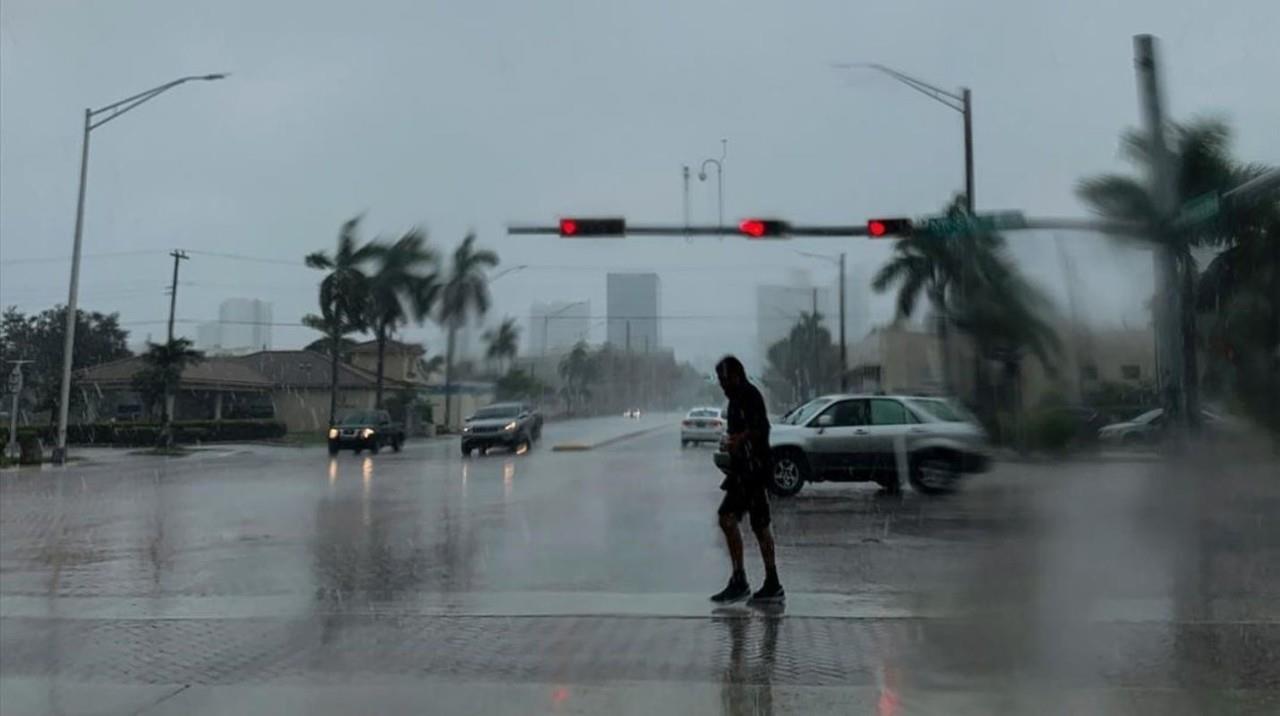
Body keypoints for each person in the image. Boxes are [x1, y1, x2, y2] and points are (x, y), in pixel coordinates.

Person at [710, 355, 784, 603]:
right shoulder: (734, 401)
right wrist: (732, 444)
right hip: (743, 472)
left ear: (736, 376)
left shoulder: (750, 396)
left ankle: (764, 582)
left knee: (749, 522)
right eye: (719, 379)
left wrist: (740, 439)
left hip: (754, 471)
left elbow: (762, 429)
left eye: (724, 378)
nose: (721, 383)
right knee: (736, 520)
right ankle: (747, 579)